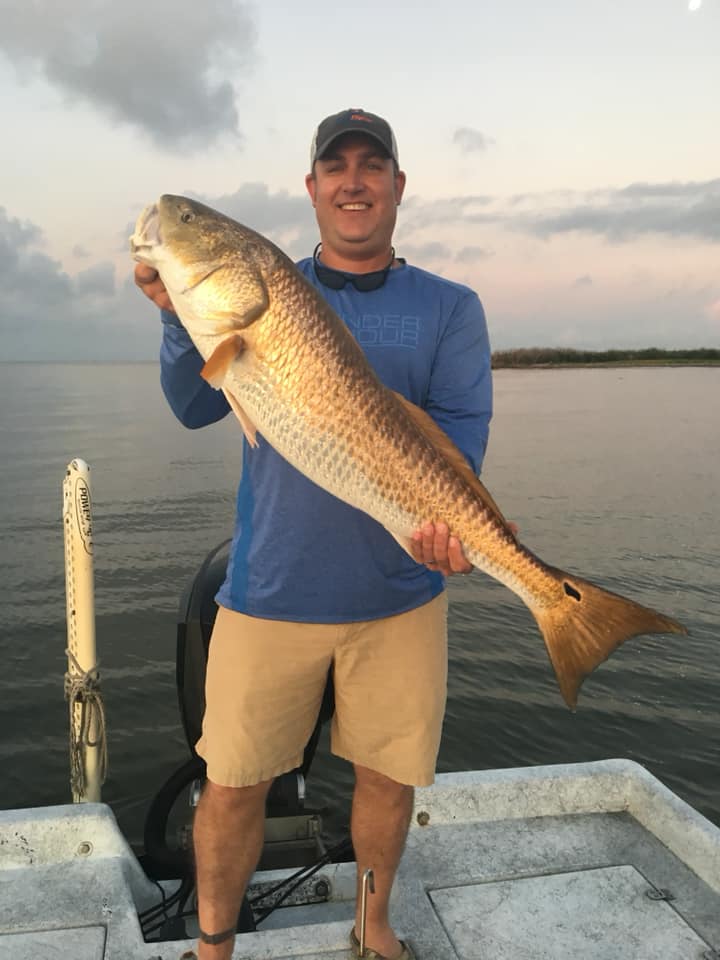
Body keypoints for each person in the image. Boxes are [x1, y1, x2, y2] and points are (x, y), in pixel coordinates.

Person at [135, 108, 493, 960]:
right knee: (230, 784)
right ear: (313, 188)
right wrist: (173, 314)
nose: (354, 181)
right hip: (270, 588)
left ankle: (373, 928)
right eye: (337, 167)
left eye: (373, 166)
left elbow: (459, 444)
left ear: (398, 187)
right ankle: (214, 945)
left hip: (402, 595)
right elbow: (191, 406)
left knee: (387, 780)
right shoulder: (267, 291)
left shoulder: (450, 307)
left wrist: (454, 531)